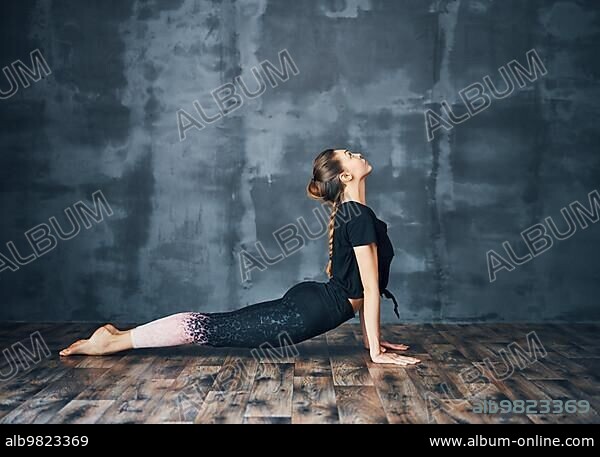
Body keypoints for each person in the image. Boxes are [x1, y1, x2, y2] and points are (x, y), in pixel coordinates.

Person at [59, 148, 421, 366]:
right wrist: (374, 350)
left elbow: (360, 288)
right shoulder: (356, 214)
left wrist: (370, 340)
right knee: (212, 328)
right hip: (307, 312)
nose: (358, 155)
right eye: (351, 155)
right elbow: (368, 291)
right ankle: (115, 341)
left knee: (218, 325)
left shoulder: (355, 211)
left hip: (316, 302)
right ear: (345, 175)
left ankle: (118, 336)